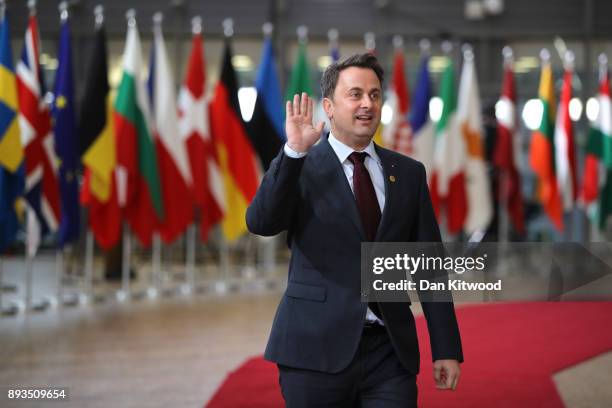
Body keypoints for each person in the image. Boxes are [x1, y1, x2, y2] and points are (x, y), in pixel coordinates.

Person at [246, 53, 463, 407]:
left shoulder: (408, 173)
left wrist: (446, 347)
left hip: (389, 353)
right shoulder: (301, 165)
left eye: (375, 95)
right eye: (356, 94)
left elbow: (430, 267)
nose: (367, 104)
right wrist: (293, 153)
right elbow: (261, 222)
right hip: (314, 351)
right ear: (328, 107)